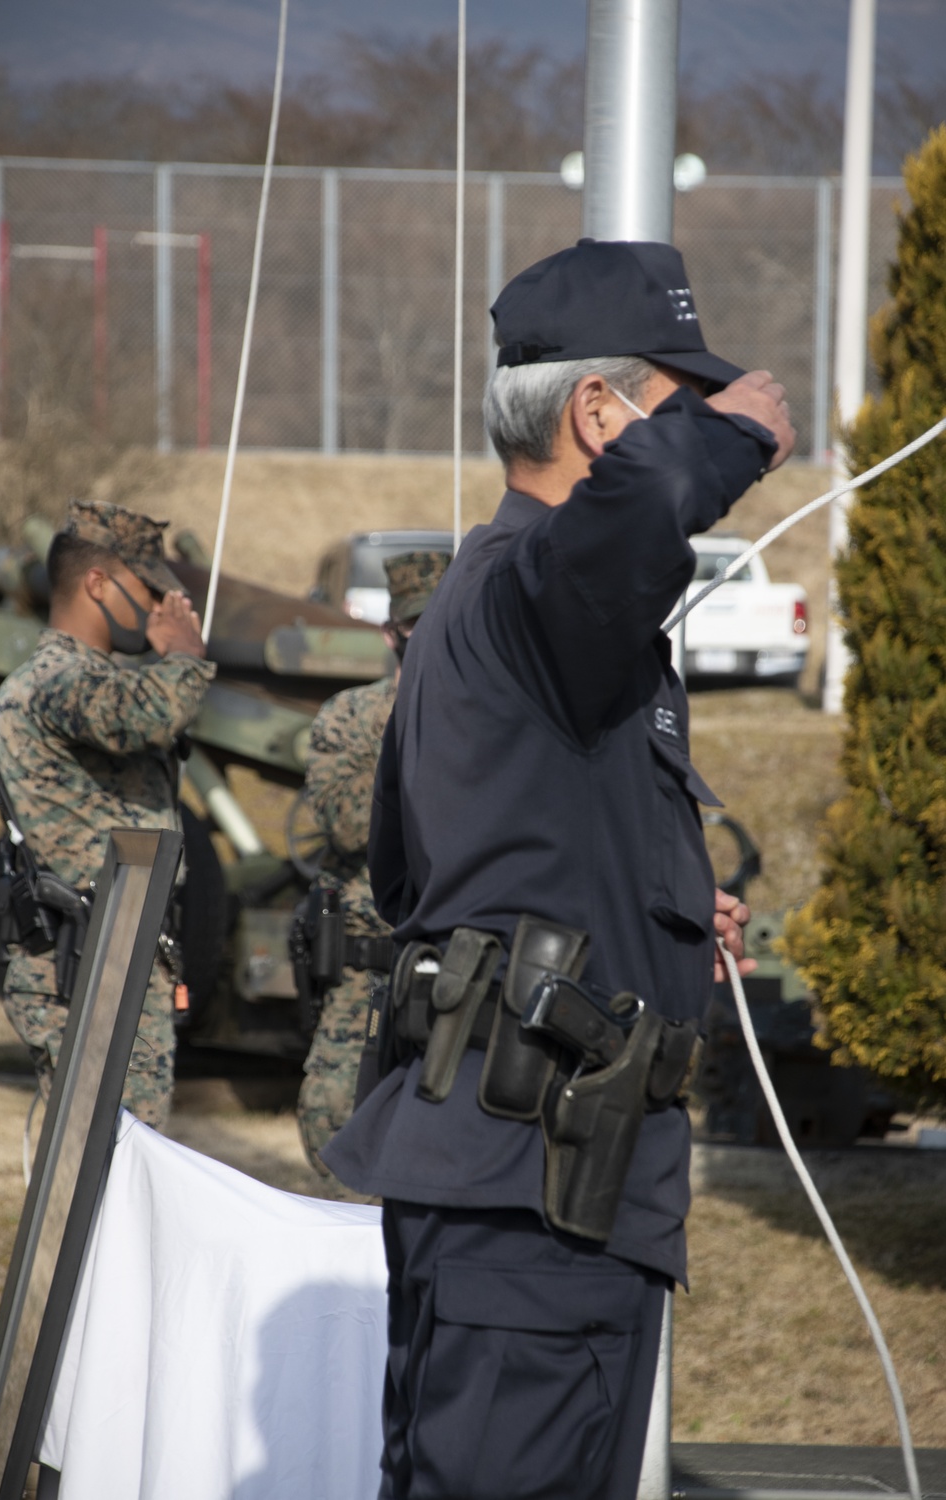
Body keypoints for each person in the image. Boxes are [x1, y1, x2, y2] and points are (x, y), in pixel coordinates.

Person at [323, 239, 796, 1499]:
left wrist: (674, 922)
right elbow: (640, 508)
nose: (698, 414)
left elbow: (470, 872)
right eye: (673, 398)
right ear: (599, 413)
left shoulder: (505, 613)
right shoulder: (541, 589)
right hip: (531, 1192)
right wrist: (740, 431)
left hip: (526, 1188)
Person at [0, 499, 215, 1129]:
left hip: (119, 961)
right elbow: (139, 714)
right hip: (84, 970)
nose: (157, 608)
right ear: (97, 583)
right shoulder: (55, 679)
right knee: (93, 1177)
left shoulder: (95, 677)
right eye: (147, 590)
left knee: (124, 1171)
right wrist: (183, 654)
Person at [297, 550, 450, 1173]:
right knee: (336, 1133)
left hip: (460, 973)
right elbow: (350, 821)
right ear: (392, 633)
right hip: (370, 978)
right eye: (418, 624)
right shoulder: (352, 717)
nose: (431, 635)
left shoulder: (500, 715)